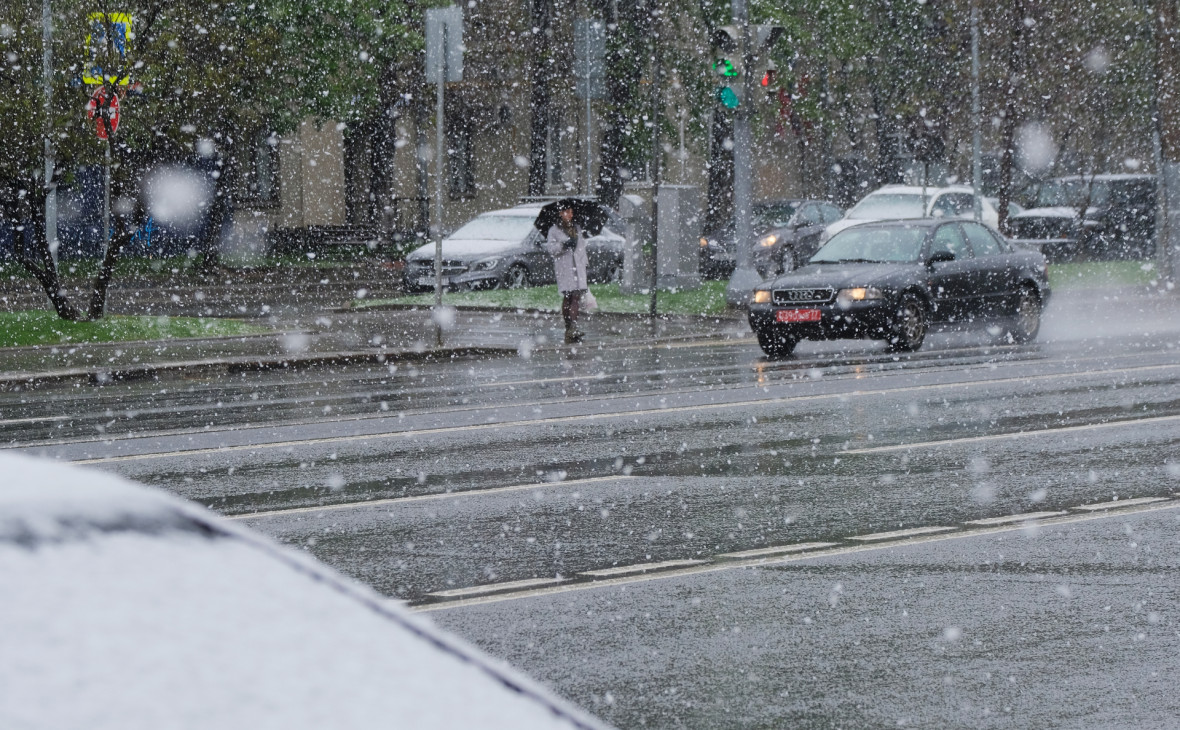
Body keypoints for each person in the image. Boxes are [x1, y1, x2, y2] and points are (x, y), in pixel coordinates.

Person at [545, 205, 588, 344]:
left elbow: (581, 246)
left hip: (578, 266)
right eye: (567, 212)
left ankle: (573, 328)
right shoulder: (554, 230)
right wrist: (564, 245)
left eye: (571, 212)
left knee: (576, 296)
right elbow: (551, 249)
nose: (570, 214)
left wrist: (583, 261)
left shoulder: (577, 228)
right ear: (560, 213)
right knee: (568, 295)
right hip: (565, 267)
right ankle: (569, 327)